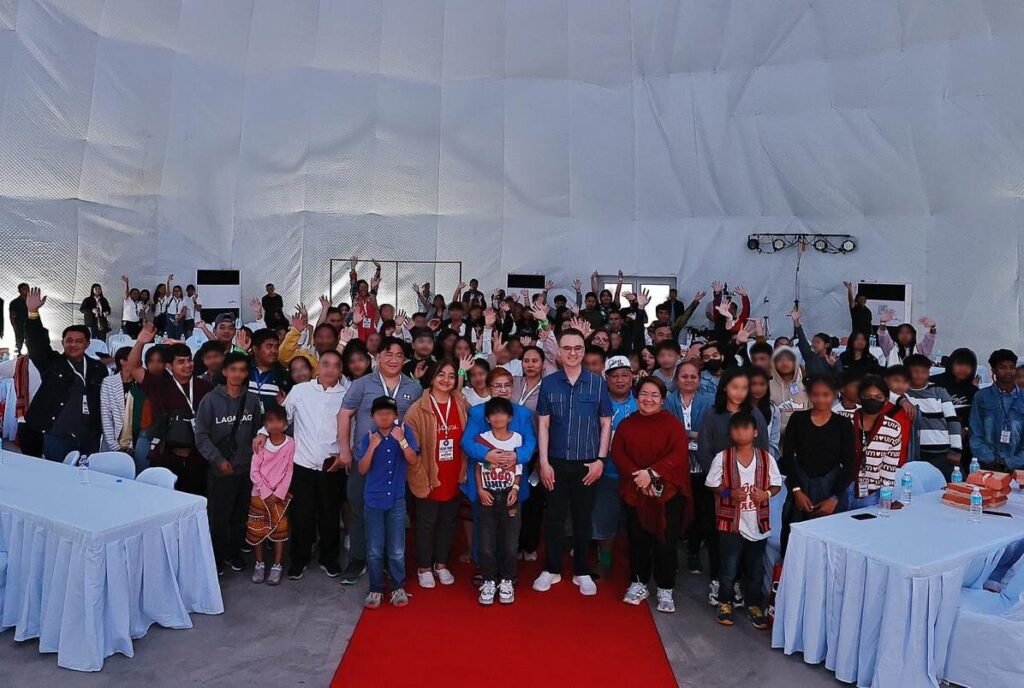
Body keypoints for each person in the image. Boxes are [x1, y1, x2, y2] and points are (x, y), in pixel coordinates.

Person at [337, 337, 423, 585]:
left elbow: (416, 424)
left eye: (399, 355)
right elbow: (344, 415)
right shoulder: (362, 384)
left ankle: (388, 560)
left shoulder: (413, 388)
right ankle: (358, 559)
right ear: (378, 357)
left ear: (405, 359)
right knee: (359, 510)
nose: (394, 359)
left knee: (393, 513)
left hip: (397, 465)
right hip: (364, 460)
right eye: (388, 354)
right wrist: (344, 450)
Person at [533, 328, 612, 596]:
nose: (573, 353)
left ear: (584, 350)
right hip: (555, 460)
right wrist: (543, 463)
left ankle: (581, 571)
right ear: (560, 351)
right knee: (553, 517)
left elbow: (606, 424)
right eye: (567, 348)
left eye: (578, 348)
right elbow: (543, 425)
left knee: (582, 518)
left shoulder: (598, 382)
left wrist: (601, 460)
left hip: (587, 462)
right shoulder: (550, 383)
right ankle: (551, 569)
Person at [262, 349, 347, 579]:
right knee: (302, 516)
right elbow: (283, 418)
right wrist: (262, 433)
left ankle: (329, 559)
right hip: (303, 464)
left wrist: (344, 455)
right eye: (326, 364)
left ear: (340, 370)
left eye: (336, 365)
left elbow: (352, 428)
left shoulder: (346, 395)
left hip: (332, 465)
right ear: (317, 366)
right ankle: (299, 560)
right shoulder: (300, 391)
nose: (330, 369)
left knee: (330, 516)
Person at [613, 377, 691, 613]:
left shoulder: (673, 424)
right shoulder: (627, 424)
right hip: (636, 489)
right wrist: (639, 477)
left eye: (654, 395)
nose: (648, 399)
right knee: (637, 538)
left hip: (666, 491)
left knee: (665, 541)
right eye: (644, 394)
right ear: (637, 398)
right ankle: (638, 582)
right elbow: (618, 453)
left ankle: (665, 588)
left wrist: (652, 473)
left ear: (663, 400)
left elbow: (678, 454)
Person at [696, 368, 770, 607]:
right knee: (720, 536)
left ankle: (738, 583)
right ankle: (719, 580)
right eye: (734, 387)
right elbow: (704, 449)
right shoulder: (712, 413)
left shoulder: (755, 414)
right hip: (720, 488)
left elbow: (764, 451)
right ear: (725, 387)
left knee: (745, 537)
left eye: (744, 388)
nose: (739, 392)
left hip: (748, 491)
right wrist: (720, 482)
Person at [705, 411, 781, 629]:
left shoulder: (766, 458)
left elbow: (776, 484)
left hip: (758, 522)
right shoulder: (723, 457)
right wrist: (729, 493)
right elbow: (711, 483)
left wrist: (765, 494)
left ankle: (754, 604)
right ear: (731, 432)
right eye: (736, 428)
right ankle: (725, 602)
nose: (741, 432)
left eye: (746, 428)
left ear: (755, 432)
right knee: (728, 567)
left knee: (755, 569)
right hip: (730, 523)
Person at [195, 352, 263, 574]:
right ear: (224, 372)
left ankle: (234, 553)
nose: (237, 374)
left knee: (240, 515)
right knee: (219, 516)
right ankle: (215, 558)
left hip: (245, 470)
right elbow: (201, 436)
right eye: (233, 370)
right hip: (220, 470)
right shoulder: (210, 400)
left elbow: (257, 433)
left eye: (242, 370)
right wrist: (218, 460)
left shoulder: (252, 400)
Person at [404, 359, 469, 589]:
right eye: (441, 374)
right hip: (428, 474)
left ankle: (441, 564)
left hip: (454, 473)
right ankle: (423, 566)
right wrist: (419, 475)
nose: (446, 380)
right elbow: (410, 448)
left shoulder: (460, 402)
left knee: (448, 522)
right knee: (425, 523)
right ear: (431, 377)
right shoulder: (417, 409)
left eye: (451, 376)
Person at [22, 287, 108, 461]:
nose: (73, 345)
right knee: (55, 480)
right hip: (56, 437)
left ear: (87, 344)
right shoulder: (52, 363)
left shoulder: (98, 368)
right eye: (69, 340)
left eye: (78, 341)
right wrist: (32, 313)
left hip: (88, 438)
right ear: (62, 342)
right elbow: (37, 344)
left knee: (83, 480)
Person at [357, 396, 420, 609]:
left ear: (396, 416)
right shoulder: (368, 437)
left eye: (388, 413)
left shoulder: (404, 432)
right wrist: (372, 447)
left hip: (396, 500)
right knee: (374, 549)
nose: (384, 416)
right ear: (373, 416)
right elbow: (362, 469)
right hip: (373, 500)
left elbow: (413, 459)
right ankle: (375, 588)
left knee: (396, 549)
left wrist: (401, 439)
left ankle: (397, 586)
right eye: (379, 413)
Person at [779, 376, 853, 553]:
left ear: (834, 395)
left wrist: (834, 498)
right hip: (801, 484)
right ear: (809, 396)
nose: (821, 399)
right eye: (816, 394)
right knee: (794, 538)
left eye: (826, 395)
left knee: (828, 541)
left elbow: (850, 463)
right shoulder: (798, 419)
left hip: (830, 486)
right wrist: (796, 491)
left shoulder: (843, 424)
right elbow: (788, 456)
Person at [665, 360, 714, 573]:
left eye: (693, 376)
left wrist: (691, 435)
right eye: (684, 376)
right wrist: (691, 435)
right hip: (675, 465)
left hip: (702, 465)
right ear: (677, 379)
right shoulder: (667, 401)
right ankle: (670, 556)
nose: (688, 380)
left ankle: (694, 552)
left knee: (701, 512)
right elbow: (667, 431)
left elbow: (710, 432)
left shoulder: (709, 401)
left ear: (699, 379)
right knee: (674, 511)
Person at [475, 397, 524, 605]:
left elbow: (519, 470)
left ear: (510, 417)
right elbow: (478, 467)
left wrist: (515, 488)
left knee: (510, 543)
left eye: (502, 413)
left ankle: (506, 580)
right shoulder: (482, 439)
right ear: (487, 418)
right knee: (486, 544)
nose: (498, 417)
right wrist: (480, 490)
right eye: (493, 413)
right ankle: (488, 580)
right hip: (487, 495)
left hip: (509, 495)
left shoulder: (517, 439)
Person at [594, 355, 637, 575]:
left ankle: (637, 563)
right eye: (615, 376)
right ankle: (605, 560)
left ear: (632, 377)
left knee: (636, 522)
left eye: (624, 375)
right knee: (604, 518)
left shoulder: (642, 402)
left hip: (635, 475)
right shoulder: (598, 402)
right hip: (606, 472)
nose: (620, 380)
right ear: (606, 379)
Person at [246, 405, 294, 586]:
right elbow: (254, 470)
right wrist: (265, 491)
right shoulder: (260, 443)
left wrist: (278, 492)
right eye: (270, 421)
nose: (274, 425)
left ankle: (277, 565)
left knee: (279, 531)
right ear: (265, 424)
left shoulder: (290, 444)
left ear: (285, 423)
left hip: (280, 496)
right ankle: (259, 564)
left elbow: (289, 470)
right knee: (258, 530)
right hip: (259, 494)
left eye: (279, 421)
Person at [847, 375, 909, 509]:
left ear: (886, 401)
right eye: (867, 396)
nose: (872, 400)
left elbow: (889, 468)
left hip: (870, 494)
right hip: (840, 490)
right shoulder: (844, 420)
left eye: (878, 397)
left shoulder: (893, 428)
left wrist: (886, 499)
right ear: (859, 397)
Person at [903, 354, 962, 480]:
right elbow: (888, 392)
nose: (920, 375)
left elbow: (953, 421)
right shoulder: (903, 394)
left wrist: (956, 449)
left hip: (943, 452)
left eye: (924, 372)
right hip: (917, 453)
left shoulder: (939, 391)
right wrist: (902, 401)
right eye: (915, 371)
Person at [969, 349, 1024, 471]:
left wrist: (1011, 462)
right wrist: (989, 459)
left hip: (1019, 466)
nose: (1008, 371)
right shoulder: (982, 397)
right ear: (994, 370)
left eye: (1012, 367)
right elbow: (975, 432)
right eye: (1003, 367)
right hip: (987, 464)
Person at [930, 348, 978, 465]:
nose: (963, 369)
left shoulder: (973, 391)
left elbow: (972, 419)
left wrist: (964, 431)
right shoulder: (934, 383)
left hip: (960, 441)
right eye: (960, 364)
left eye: (968, 366)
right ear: (952, 364)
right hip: (933, 436)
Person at [99, 346, 140, 452]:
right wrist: (115, 446)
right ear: (123, 362)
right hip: (112, 441)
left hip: (136, 443)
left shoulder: (141, 383)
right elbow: (106, 415)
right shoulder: (109, 382)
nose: (139, 361)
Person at [768, 346, 806, 436]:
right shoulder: (766, 387)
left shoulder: (805, 388)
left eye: (789, 359)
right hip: (775, 442)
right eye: (780, 359)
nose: (784, 363)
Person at [9, 282, 29, 355]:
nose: (27, 291)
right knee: (19, 341)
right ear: (19, 291)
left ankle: (30, 354)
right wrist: (14, 327)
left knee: (31, 341)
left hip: (30, 324)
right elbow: (11, 316)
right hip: (20, 326)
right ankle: (19, 354)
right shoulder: (15, 303)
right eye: (24, 289)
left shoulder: (30, 301)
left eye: (28, 289)